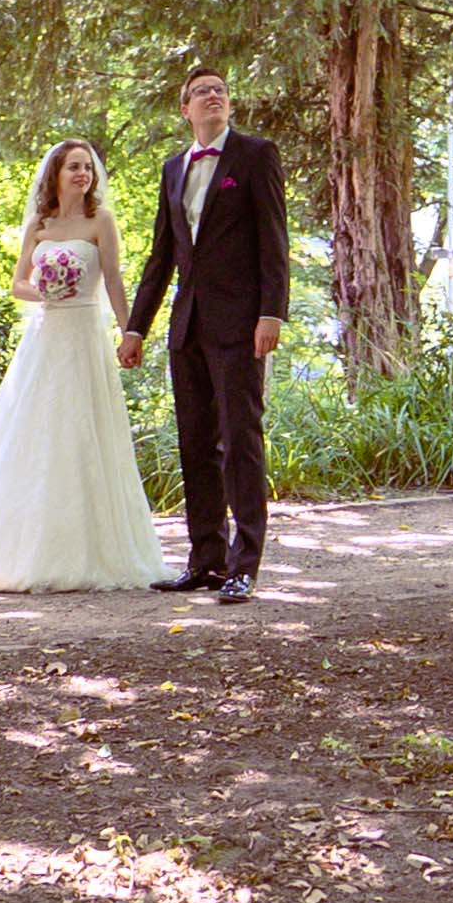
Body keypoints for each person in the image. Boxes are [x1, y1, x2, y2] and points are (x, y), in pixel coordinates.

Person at [0, 143, 164, 595]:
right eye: (74, 167)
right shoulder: (40, 224)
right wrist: (44, 292)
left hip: (85, 335)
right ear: (55, 173)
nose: (83, 174)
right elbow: (18, 284)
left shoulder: (100, 221)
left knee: (83, 430)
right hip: (46, 337)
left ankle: (91, 550)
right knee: (33, 431)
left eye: (88, 168)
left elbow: (112, 279)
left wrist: (131, 333)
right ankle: (18, 550)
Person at [121, 67, 288, 595]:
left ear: (228, 104)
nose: (213, 96)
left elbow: (273, 240)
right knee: (196, 444)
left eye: (220, 90)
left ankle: (244, 568)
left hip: (241, 325)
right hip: (186, 326)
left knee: (241, 441)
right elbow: (161, 257)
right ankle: (206, 559)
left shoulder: (255, 155)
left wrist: (271, 313)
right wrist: (135, 329)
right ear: (185, 109)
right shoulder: (174, 169)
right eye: (201, 92)